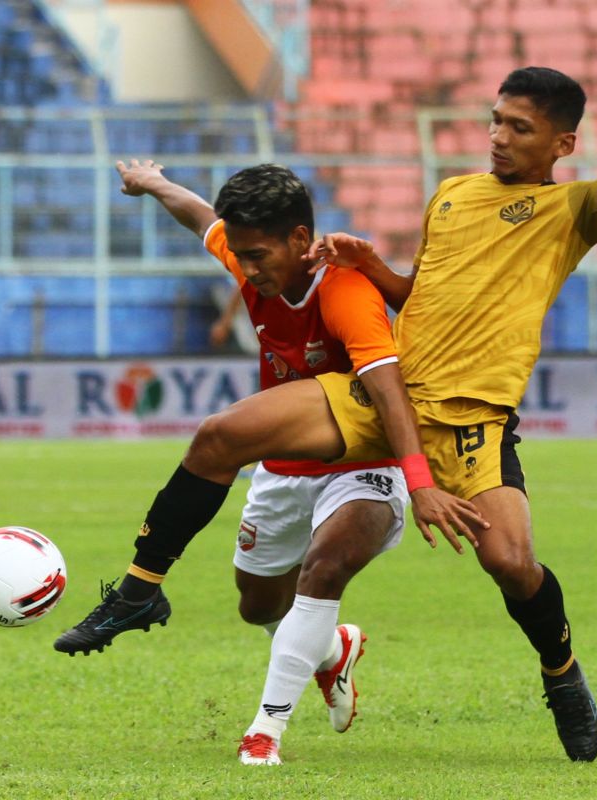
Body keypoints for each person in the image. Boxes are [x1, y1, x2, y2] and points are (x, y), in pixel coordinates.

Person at [60, 22, 597, 763]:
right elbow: (423, 295)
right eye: (495, 119)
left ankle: (562, 673)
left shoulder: (569, 212)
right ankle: (141, 588)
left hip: (471, 422)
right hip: (382, 398)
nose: (499, 137)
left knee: (511, 565)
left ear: (561, 145)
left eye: (520, 128)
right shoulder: (454, 196)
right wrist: (375, 265)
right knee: (220, 436)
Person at [53, 162, 486, 766]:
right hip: (283, 472)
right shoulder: (250, 258)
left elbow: (390, 390)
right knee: (258, 606)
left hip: (364, 465)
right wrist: (152, 183)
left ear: (300, 241)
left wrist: (421, 485)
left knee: (324, 571)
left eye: (258, 256)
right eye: (240, 255)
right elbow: (198, 215)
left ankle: (264, 733)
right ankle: (331, 651)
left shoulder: (344, 290)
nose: (248, 270)